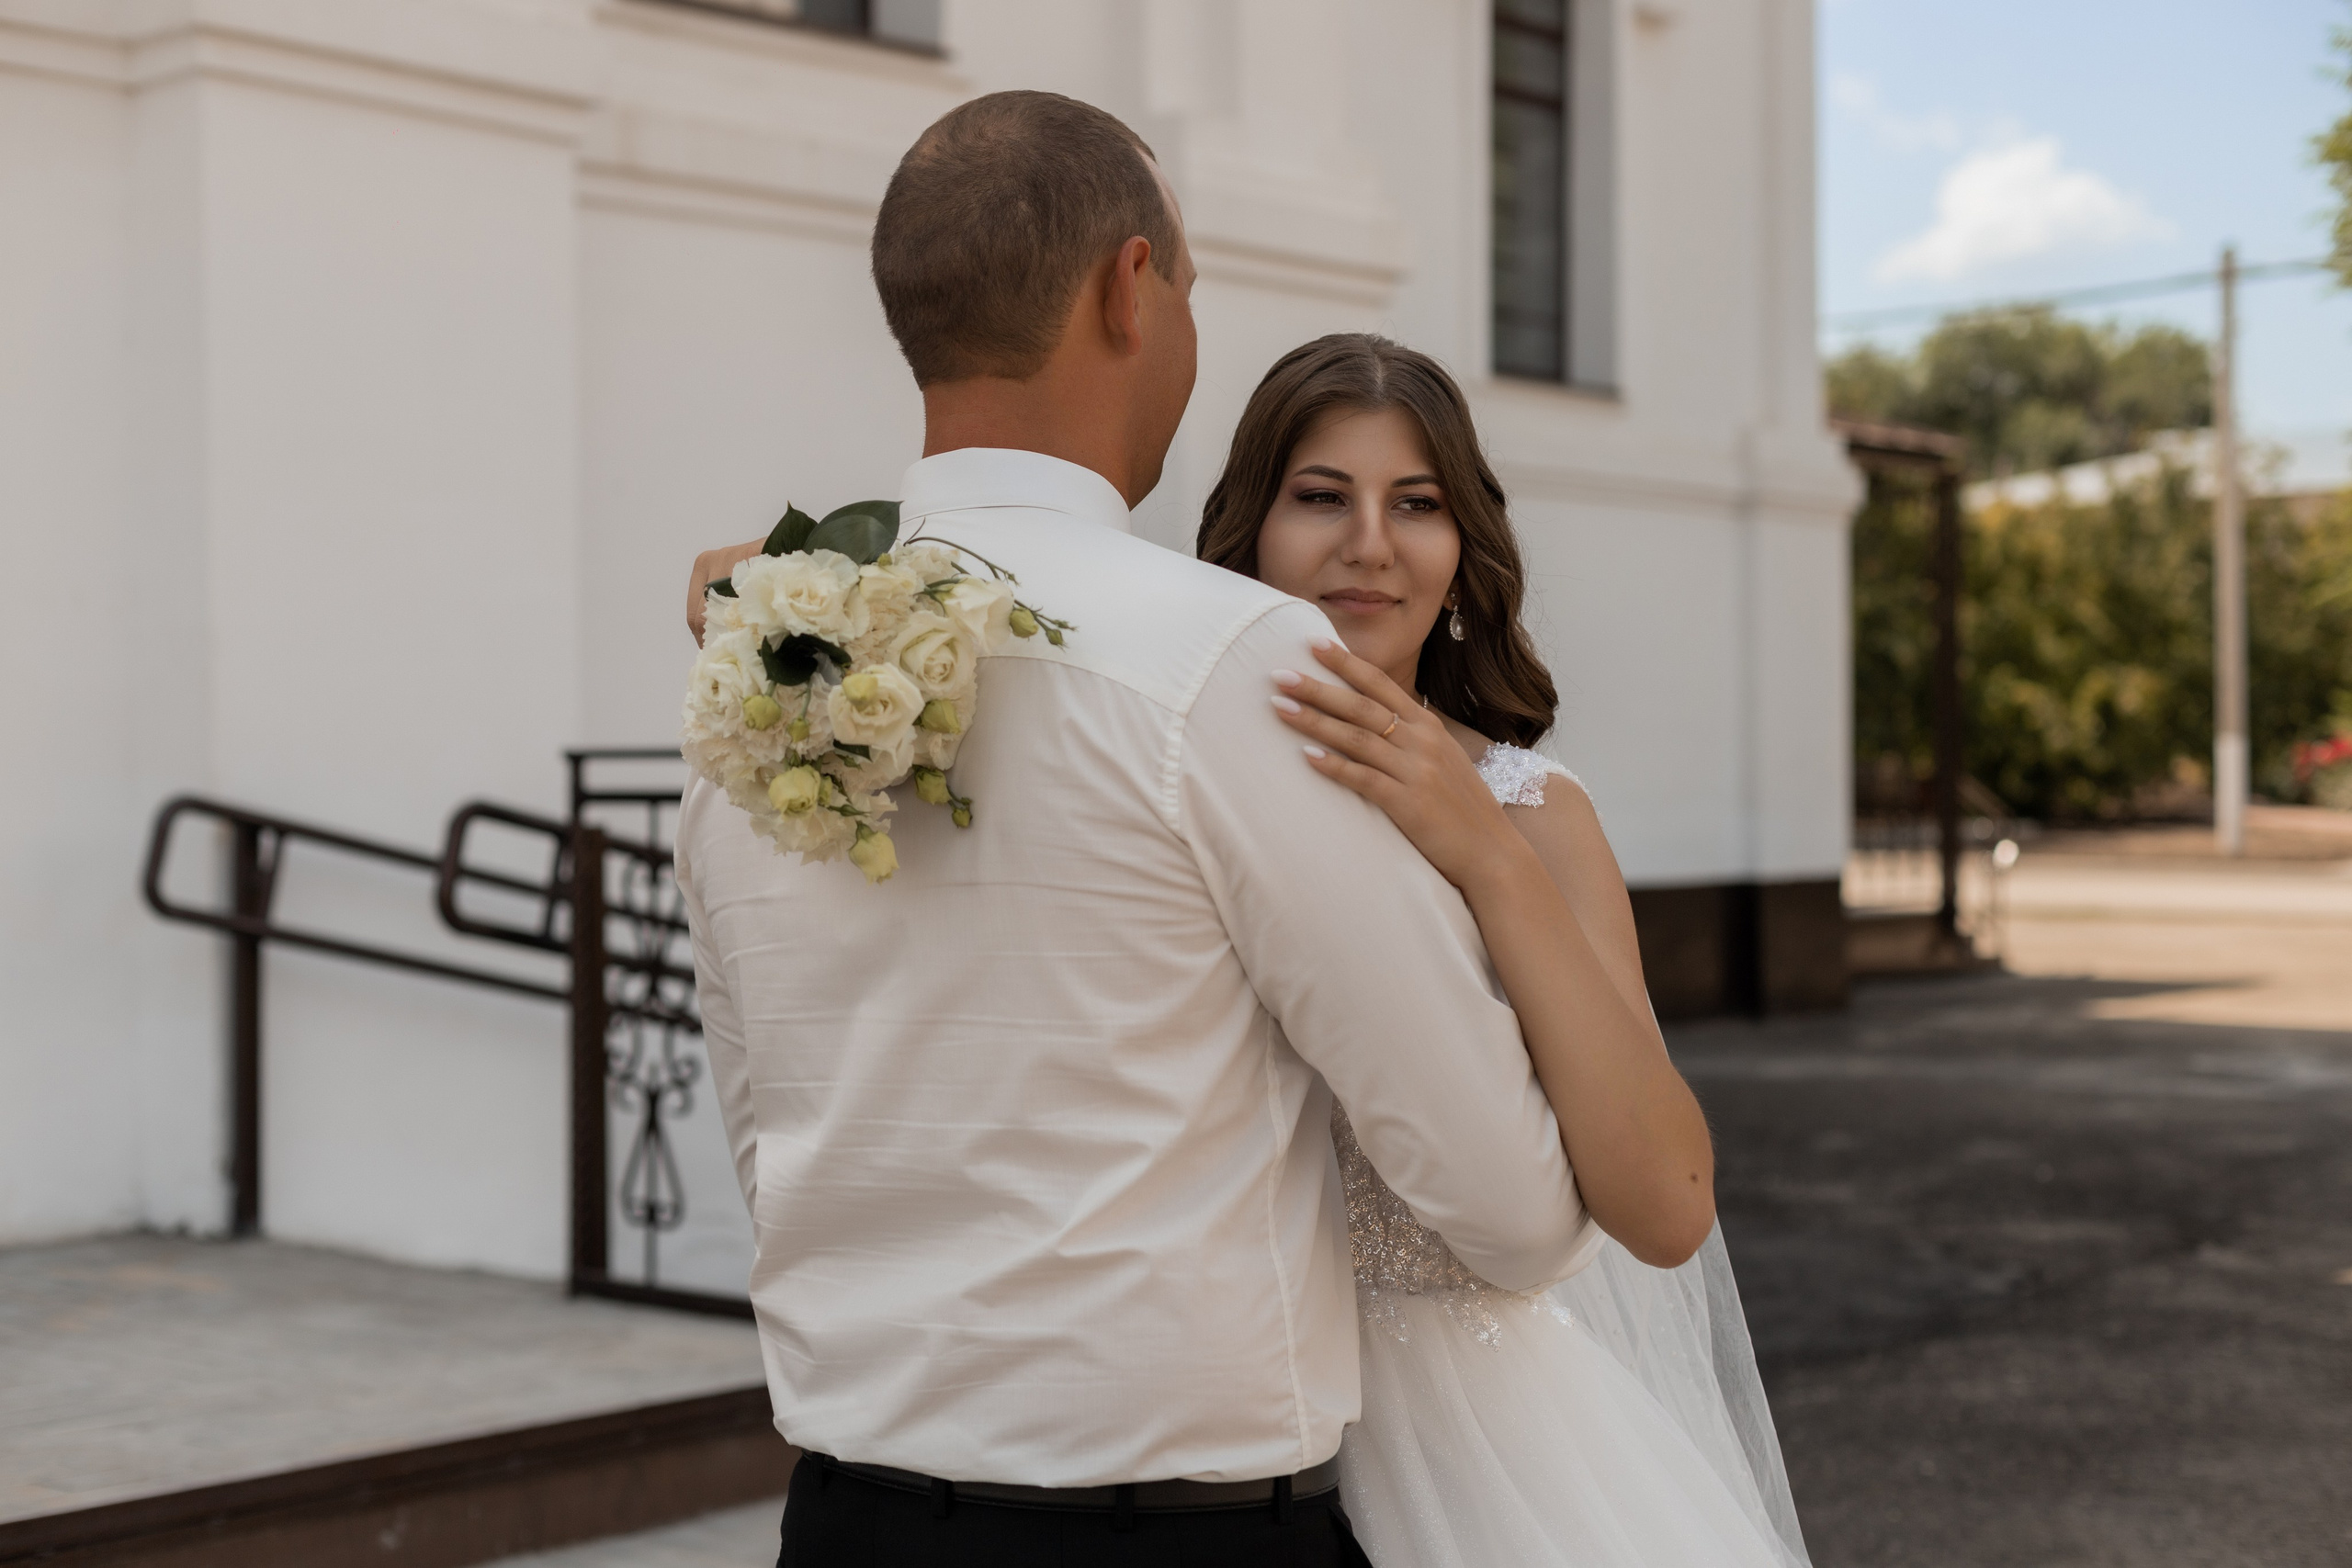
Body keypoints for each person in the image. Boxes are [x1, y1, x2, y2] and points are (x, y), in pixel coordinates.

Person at [673, 92, 1601, 1566]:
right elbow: (1511, 1211)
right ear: (1131, 288)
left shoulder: (755, 685)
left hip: (847, 1527)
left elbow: (766, 1142)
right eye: (1192, 286)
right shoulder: (1243, 672)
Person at [1193, 333, 1814, 1568]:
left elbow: (1666, 1205)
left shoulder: (1537, 813)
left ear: (1463, 551)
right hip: (1205, 1423)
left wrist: (1481, 849)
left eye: (1416, 505)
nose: (1370, 543)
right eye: (1321, 496)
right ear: (1249, 531)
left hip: (1479, 1456)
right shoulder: (1175, 775)